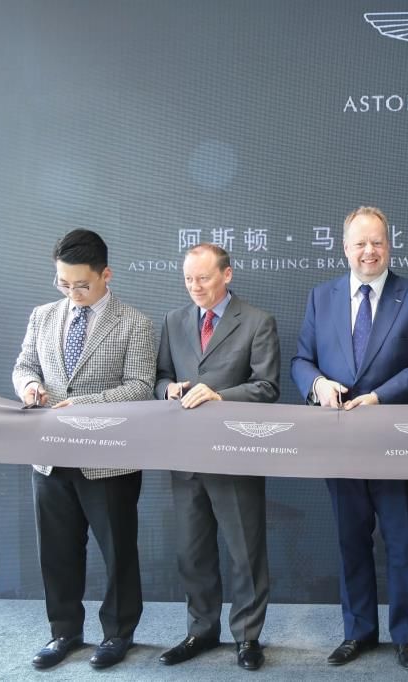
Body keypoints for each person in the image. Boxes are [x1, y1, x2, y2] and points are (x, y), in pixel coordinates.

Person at [291, 206, 408, 671]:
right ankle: (357, 632)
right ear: (345, 248)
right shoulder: (322, 297)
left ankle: (406, 637)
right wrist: (317, 385)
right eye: (360, 243)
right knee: (350, 540)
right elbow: (301, 360)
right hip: (339, 442)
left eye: (377, 242)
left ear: (389, 245)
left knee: (401, 542)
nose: (369, 251)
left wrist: (378, 397)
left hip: (394, 439)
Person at [12, 229, 156, 670]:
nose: (72, 293)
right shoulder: (42, 315)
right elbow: (24, 365)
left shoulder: (135, 322)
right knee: (56, 551)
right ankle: (64, 632)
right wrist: (30, 386)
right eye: (63, 283)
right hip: (50, 456)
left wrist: (84, 406)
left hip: (109, 458)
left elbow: (140, 387)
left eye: (81, 285)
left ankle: (118, 634)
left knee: (118, 552)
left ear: (105, 275)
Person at [154, 243, 280, 671]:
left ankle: (247, 637)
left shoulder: (257, 321)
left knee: (245, 552)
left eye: (203, 278)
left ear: (227, 275)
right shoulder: (173, 320)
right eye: (188, 279)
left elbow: (267, 387)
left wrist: (220, 395)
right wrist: (167, 389)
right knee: (192, 552)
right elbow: (160, 377)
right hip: (186, 456)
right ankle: (201, 631)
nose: (195, 287)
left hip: (235, 455)